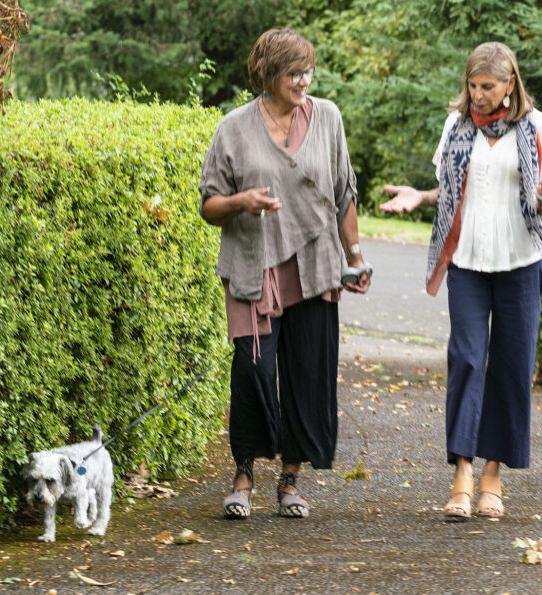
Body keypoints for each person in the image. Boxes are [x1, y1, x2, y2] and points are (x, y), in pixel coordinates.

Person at [381, 41, 542, 521]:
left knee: (511, 367)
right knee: (466, 357)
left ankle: (492, 474)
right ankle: (461, 471)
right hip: (466, 262)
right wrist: (419, 198)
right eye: (473, 85)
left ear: (511, 85)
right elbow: (449, 190)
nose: (479, 94)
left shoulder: (536, 126)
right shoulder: (457, 126)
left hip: (520, 263)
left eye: (488, 87)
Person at [198, 28, 371, 520]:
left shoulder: (328, 117)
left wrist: (354, 258)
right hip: (256, 269)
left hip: (314, 268)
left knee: (305, 374)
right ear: (268, 75)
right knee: (252, 372)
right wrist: (241, 202)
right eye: (294, 72)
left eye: (307, 71)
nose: (304, 80)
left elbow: (343, 195)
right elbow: (210, 204)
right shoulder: (234, 127)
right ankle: (244, 475)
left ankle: (290, 479)